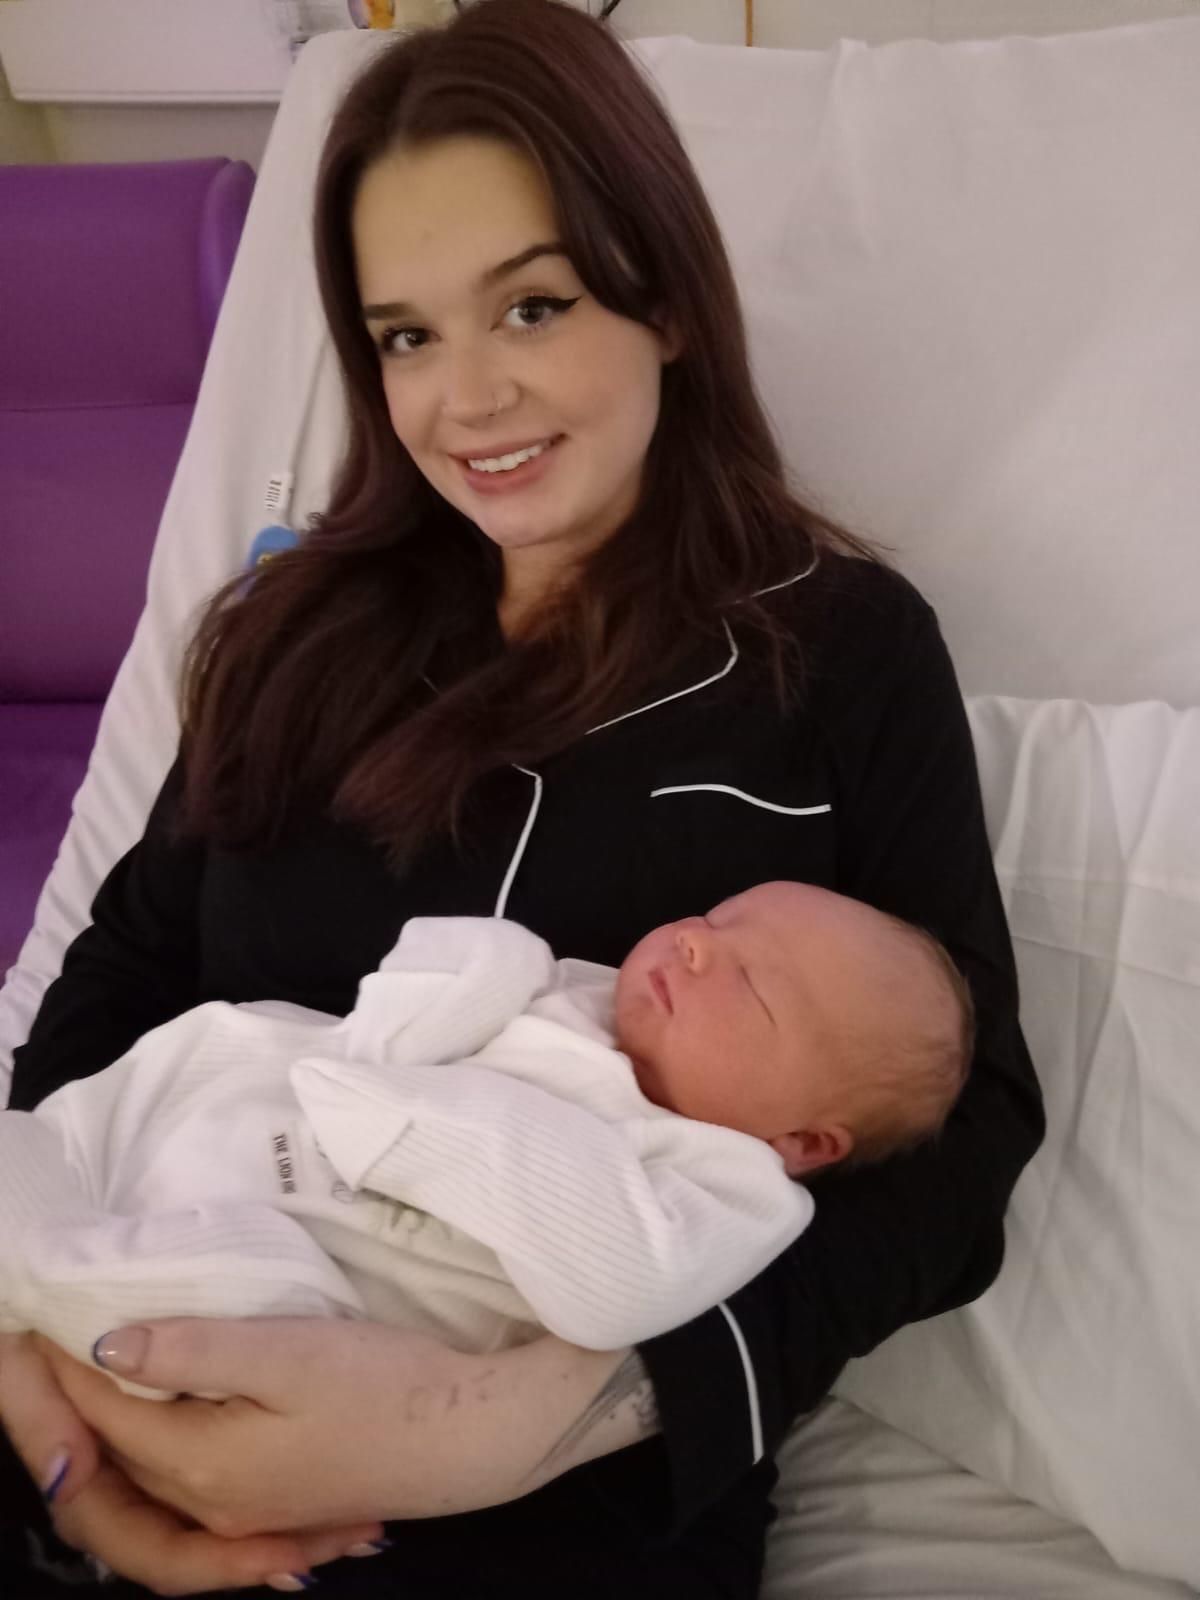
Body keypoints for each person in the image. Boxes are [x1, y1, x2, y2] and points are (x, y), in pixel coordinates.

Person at [0, 1, 1044, 1595]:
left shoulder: (840, 650)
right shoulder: (286, 637)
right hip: (124, 1360)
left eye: (533, 306)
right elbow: (120, 989)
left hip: (569, 1511)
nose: (467, 399)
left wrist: (524, 1419)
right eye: (407, 334)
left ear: (667, 304)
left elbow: (963, 1141)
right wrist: (50, 1420)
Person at [0, 884, 971, 1384]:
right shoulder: (589, 999)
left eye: (754, 985)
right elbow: (432, 976)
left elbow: (614, 1277)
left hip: (299, 1270)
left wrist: (398, 1109)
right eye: (719, 916)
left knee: (215, 1290)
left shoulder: (730, 1188)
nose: (699, 944)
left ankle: (49, 1269)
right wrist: (472, 980)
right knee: (53, 1141)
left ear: (805, 1140)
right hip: (227, 1106)